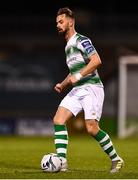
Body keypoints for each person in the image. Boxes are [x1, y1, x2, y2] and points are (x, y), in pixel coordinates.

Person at [54, 7, 124, 173]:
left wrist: (77, 76)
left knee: (92, 128)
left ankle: (116, 159)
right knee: (58, 120)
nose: (58, 25)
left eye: (61, 21)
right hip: (77, 89)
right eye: (57, 22)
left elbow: (96, 60)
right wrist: (63, 84)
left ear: (71, 22)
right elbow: (74, 71)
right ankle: (62, 162)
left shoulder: (81, 40)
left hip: (91, 87)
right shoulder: (67, 46)